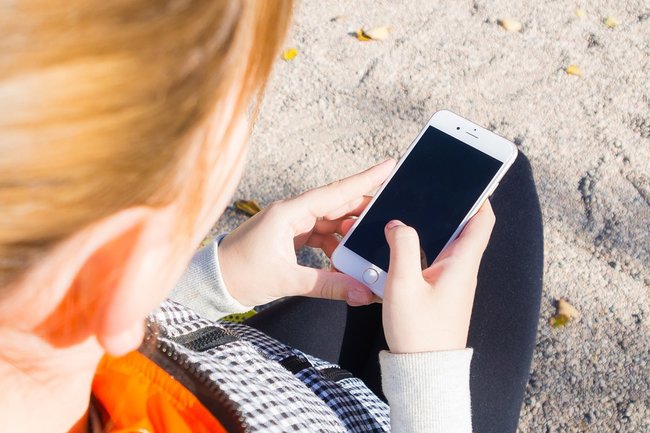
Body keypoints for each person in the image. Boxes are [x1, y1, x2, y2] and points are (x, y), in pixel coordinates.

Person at [0, 1, 543, 432]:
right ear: (120, 267)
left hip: (237, 370)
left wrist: (215, 280)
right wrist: (430, 379)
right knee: (504, 189)